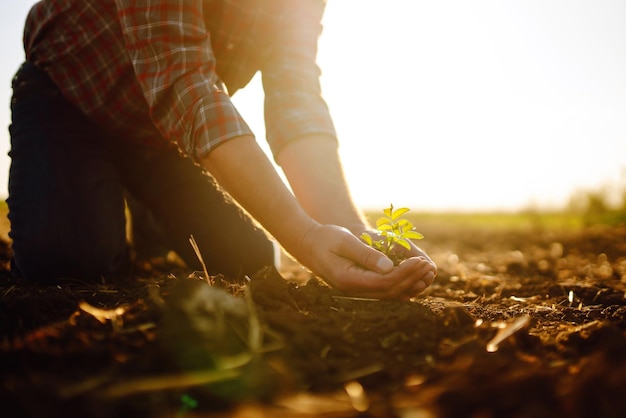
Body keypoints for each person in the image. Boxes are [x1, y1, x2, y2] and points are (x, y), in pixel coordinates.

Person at [7, 0, 436, 299]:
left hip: (164, 137)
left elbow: (296, 99)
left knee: (249, 260)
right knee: (69, 262)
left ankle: (145, 206)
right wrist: (304, 238)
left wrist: (348, 227)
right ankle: (105, 193)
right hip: (69, 97)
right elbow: (184, 82)